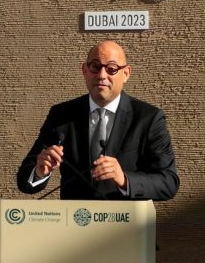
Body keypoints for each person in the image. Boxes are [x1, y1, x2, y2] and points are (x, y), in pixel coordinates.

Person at [16, 41, 179, 200]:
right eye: (95, 66)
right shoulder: (62, 115)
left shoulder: (149, 118)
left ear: (126, 74)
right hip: (74, 222)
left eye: (111, 69)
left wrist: (124, 180)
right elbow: (25, 181)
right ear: (84, 70)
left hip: (124, 224)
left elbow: (168, 182)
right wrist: (39, 171)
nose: (102, 75)